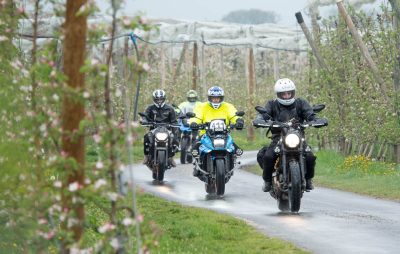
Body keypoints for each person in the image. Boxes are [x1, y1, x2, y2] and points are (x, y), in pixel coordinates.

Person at [253, 78, 325, 192]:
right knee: (268, 156)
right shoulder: (272, 104)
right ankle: (267, 181)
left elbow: (310, 114)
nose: (286, 96)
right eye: (283, 94)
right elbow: (263, 115)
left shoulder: (301, 103)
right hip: (278, 137)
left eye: (289, 93)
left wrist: (316, 120)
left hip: (297, 136)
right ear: (278, 94)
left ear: (293, 92)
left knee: (310, 157)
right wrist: (260, 119)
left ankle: (309, 179)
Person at [189, 86, 244, 176]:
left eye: (218, 98)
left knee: (235, 148)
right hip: (206, 134)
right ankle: (197, 165)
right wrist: (194, 122)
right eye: (213, 98)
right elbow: (196, 117)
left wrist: (239, 121)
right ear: (209, 98)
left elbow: (234, 115)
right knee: (195, 148)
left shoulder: (228, 106)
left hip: (224, 134)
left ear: (221, 98)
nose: (215, 100)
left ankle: (232, 161)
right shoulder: (202, 106)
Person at [142, 89, 178, 167]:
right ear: (154, 99)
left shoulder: (170, 108)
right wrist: (144, 121)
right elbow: (145, 117)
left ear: (164, 98)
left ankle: (171, 157)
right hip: (154, 129)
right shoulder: (150, 108)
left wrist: (174, 125)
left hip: (167, 130)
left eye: (161, 99)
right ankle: (146, 156)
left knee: (175, 139)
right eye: (157, 99)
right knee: (146, 138)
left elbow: (174, 120)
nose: (159, 101)